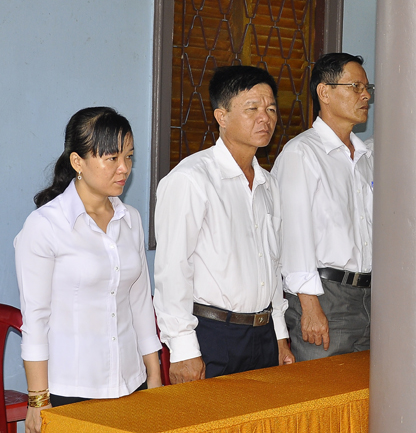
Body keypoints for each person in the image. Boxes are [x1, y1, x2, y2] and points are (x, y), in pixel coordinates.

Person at [15, 107, 161, 432]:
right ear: (77, 162)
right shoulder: (45, 225)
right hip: (71, 389)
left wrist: (154, 374)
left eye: (129, 156)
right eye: (112, 158)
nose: (124, 168)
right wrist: (37, 399)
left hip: (131, 382)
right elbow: (35, 320)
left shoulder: (131, 219)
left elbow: (139, 302)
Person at [153, 65, 294, 384]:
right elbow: (172, 269)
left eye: (271, 109)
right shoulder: (191, 179)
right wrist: (183, 349)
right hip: (212, 335)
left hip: (263, 335)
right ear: (222, 116)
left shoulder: (268, 184)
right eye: (252, 108)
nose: (265, 118)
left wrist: (280, 335)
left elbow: (272, 266)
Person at [272, 52, 373, 361]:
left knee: (367, 389)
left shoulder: (366, 158)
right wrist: (310, 306)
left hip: (369, 297)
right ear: (324, 92)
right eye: (356, 87)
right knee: (323, 388)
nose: (366, 96)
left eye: (367, 88)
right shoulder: (302, 153)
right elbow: (293, 235)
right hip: (325, 297)